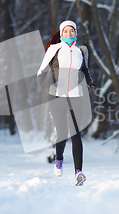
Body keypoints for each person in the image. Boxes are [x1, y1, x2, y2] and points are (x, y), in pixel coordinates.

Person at [36, 20, 96, 186]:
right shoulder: (55, 50)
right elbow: (45, 63)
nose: (69, 34)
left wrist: (90, 83)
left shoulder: (80, 51)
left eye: (72, 31)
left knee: (76, 133)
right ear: (61, 33)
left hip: (76, 95)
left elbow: (84, 69)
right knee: (62, 133)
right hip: (57, 95)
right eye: (66, 31)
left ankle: (78, 172)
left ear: (75, 33)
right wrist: (40, 74)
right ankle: (59, 158)